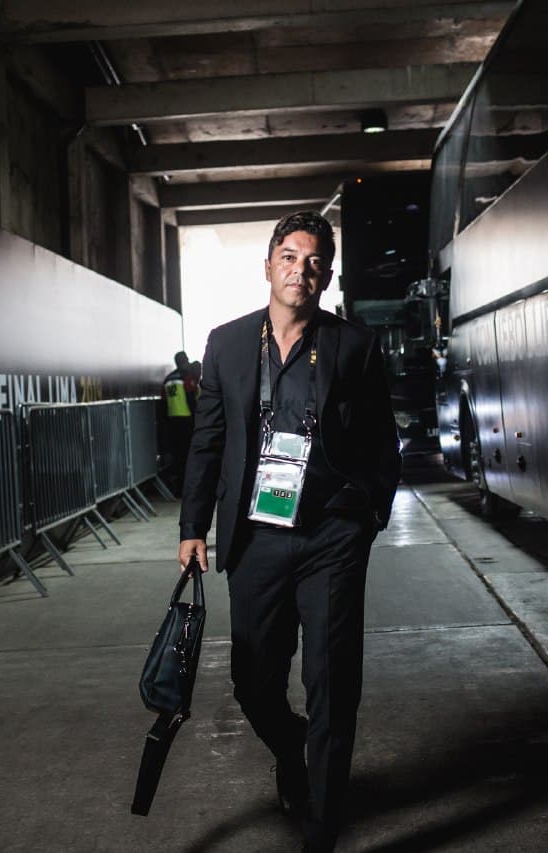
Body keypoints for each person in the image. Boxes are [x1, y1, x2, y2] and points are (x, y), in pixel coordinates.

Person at [178, 211, 401, 852]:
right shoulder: (225, 344)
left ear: (326, 274)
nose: (300, 270)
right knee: (252, 678)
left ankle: (321, 829)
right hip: (256, 535)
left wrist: (366, 516)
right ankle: (289, 745)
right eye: (289, 256)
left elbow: (383, 440)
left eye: (313, 261)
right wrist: (195, 526)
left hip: (332, 534)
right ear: (269, 265)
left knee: (333, 682)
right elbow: (208, 441)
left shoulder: (353, 346)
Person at [163, 350, 197, 494]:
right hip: (187, 421)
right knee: (189, 457)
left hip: (172, 423)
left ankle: (178, 489)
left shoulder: (168, 379)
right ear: (183, 361)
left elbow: (163, 403)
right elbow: (191, 398)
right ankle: (188, 488)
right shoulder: (186, 377)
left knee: (178, 457)